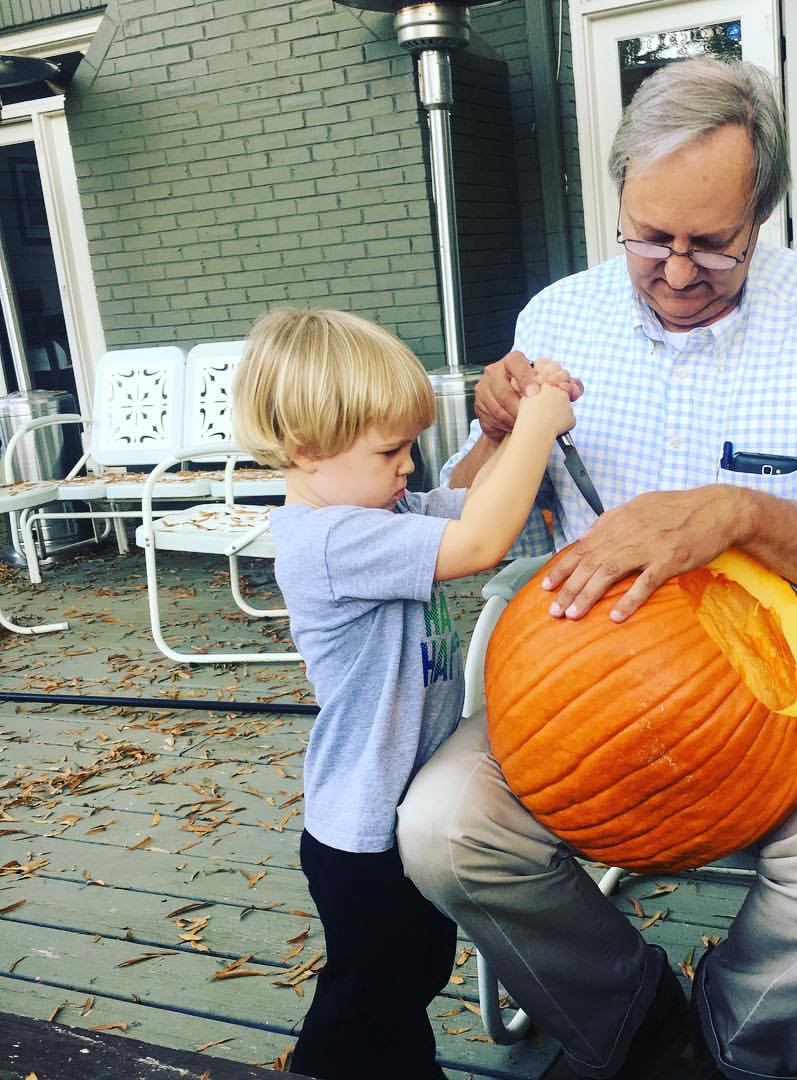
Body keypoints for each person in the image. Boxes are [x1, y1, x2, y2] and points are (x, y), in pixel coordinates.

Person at [397, 57, 797, 1080]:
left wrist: (734, 514)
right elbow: (494, 537)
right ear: (618, 201)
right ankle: (636, 1019)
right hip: (584, 679)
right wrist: (489, 438)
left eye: (716, 246)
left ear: (763, 217)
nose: (681, 269)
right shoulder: (559, 317)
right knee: (440, 828)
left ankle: (735, 1039)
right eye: (651, 239)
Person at [231, 308, 577, 1080]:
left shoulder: (375, 511)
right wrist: (538, 430)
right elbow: (481, 540)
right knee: (366, 1002)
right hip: (361, 831)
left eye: (411, 444)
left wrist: (495, 438)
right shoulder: (330, 540)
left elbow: (465, 501)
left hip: (399, 812)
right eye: (390, 449)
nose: (409, 467)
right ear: (303, 450)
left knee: (406, 984)